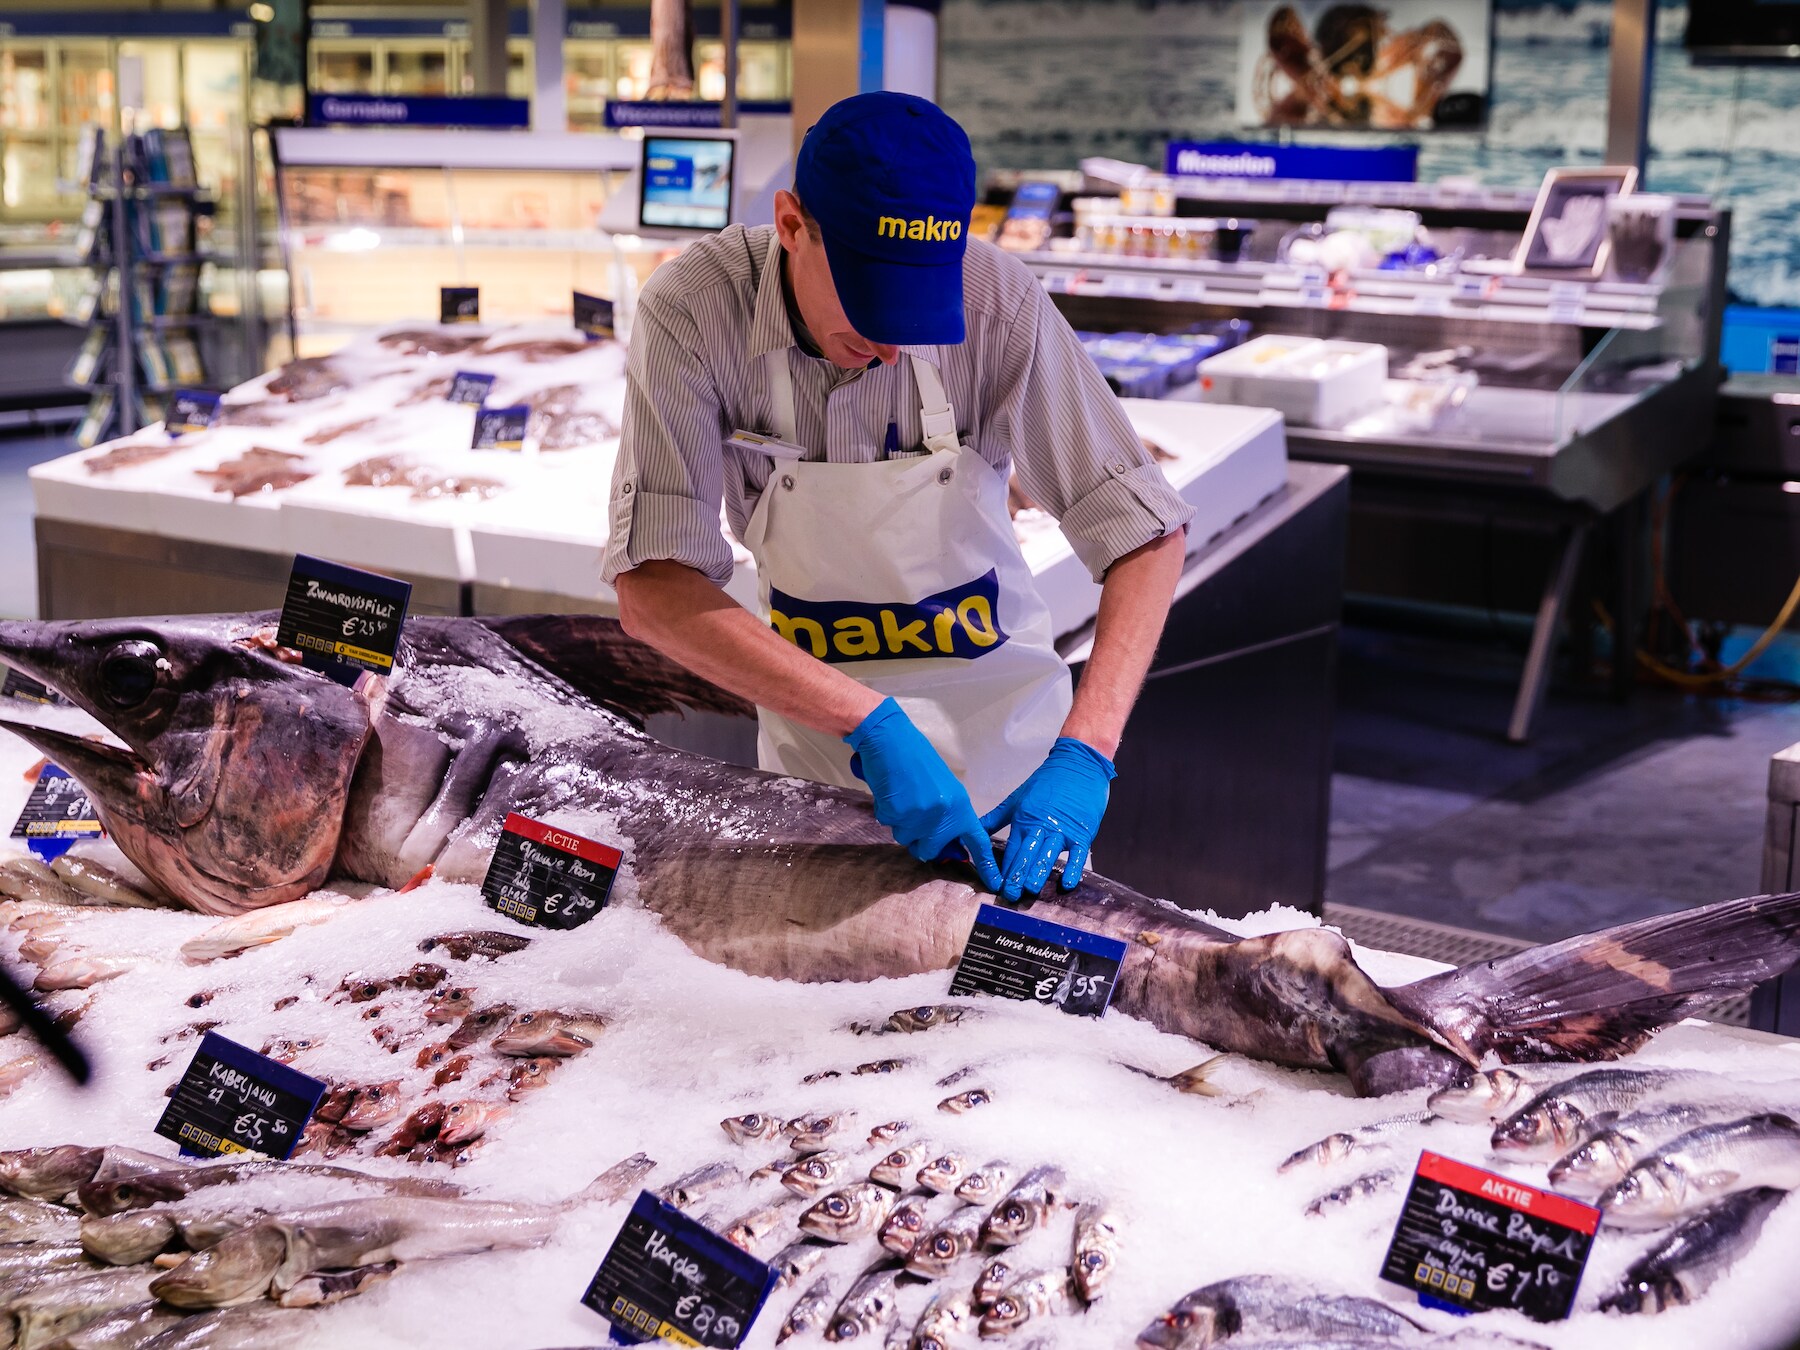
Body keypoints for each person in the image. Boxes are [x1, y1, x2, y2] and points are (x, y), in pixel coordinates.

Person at [603, 91, 1193, 901]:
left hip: (1013, 765)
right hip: (822, 770)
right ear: (790, 224)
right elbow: (653, 589)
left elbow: (1144, 530)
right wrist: (869, 721)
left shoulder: (998, 298)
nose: (888, 347)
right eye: (869, 302)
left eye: (914, 310)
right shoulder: (695, 311)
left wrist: (1086, 750)